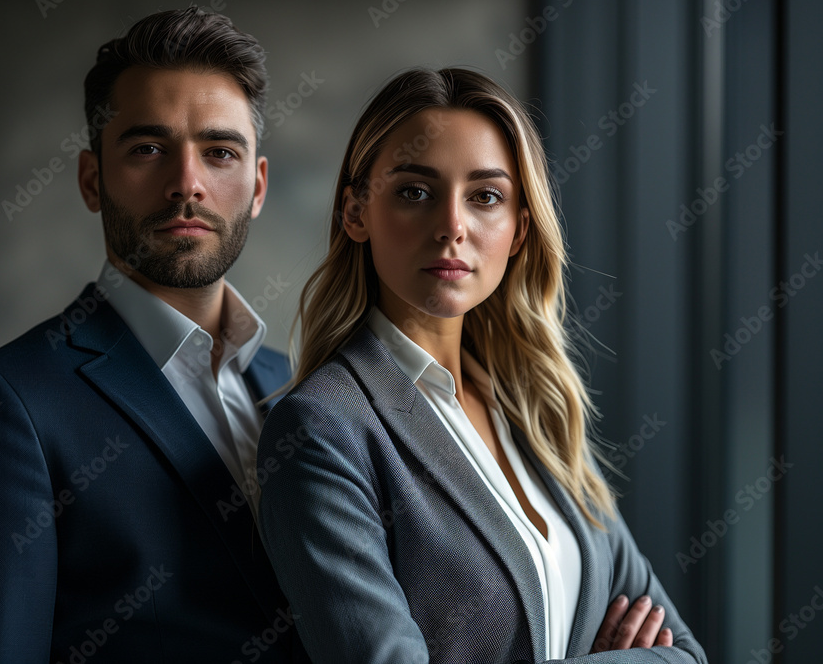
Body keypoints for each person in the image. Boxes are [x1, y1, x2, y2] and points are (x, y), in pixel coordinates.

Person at [257, 67, 707, 663]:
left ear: (520, 230)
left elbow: (687, 653)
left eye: (485, 196)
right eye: (416, 192)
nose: (452, 227)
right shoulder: (321, 429)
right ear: (356, 212)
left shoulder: (535, 412)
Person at [0, 8, 303, 662]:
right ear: (93, 180)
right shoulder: (6, 406)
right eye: (148, 149)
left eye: (220, 152)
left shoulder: (297, 385)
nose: (188, 183)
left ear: (257, 186)